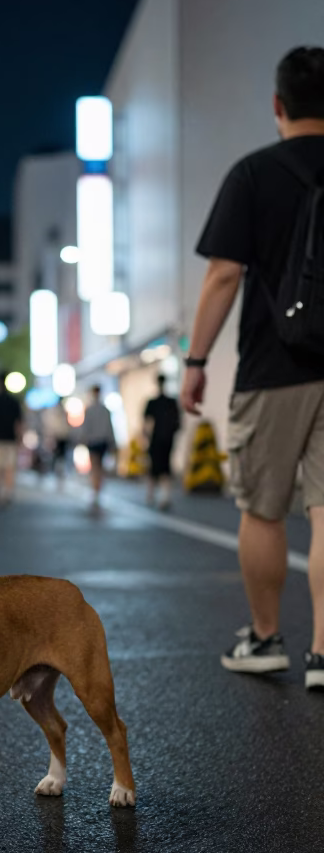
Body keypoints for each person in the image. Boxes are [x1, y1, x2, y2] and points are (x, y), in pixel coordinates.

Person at [183, 47, 324, 687]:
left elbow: (223, 276)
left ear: (277, 106)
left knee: (264, 509)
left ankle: (265, 637)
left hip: (275, 364)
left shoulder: (253, 174)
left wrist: (196, 360)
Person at [143, 375, 180, 509]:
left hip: (156, 440)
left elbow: (147, 424)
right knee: (165, 467)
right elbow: (178, 424)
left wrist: (146, 438)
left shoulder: (152, 403)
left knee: (154, 467)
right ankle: (164, 496)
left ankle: (152, 495)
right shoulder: (172, 402)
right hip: (168, 440)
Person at [0, 373, 22, 504]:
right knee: (9, 467)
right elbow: (19, 423)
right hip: (10, 439)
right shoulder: (14, 401)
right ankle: (8, 493)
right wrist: (19, 438)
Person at [81, 385, 116, 507]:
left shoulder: (90, 409)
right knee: (100, 466)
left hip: (93, 441)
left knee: (95, 466)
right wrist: (112, 442)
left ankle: (95, 489)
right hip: (102, 442)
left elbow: (85, 428)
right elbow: (110, 428)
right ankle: (98, 488)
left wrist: (84, 439)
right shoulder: (105, 410)